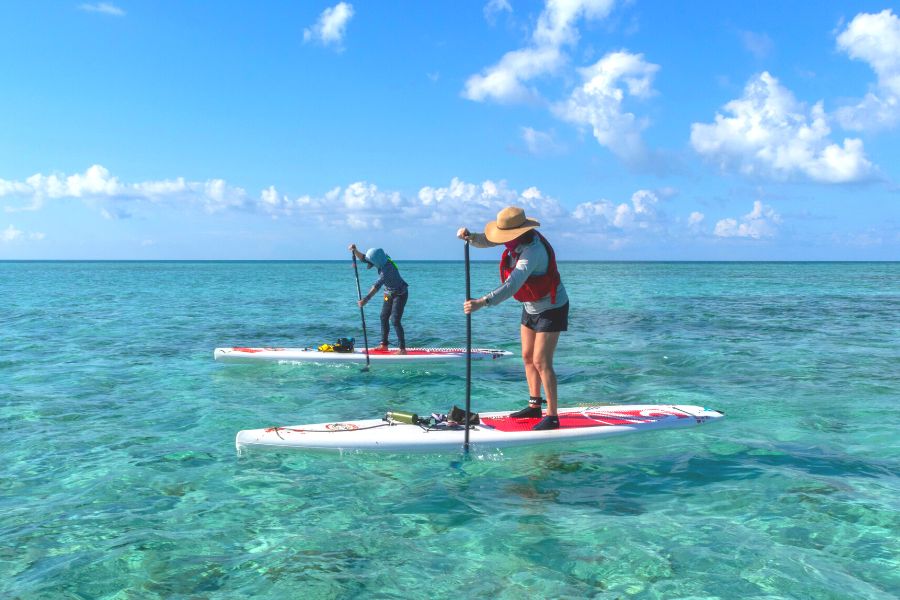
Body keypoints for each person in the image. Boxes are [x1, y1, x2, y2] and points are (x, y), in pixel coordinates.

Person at [457, 206, 569, 430]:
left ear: (519, 231)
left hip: (552, 307)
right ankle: (534, 405)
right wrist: (471, 238)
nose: (503, 240)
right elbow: (488, 240)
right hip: (530, 307)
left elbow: (512, 285)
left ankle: (553, 416)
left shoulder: (532, 252)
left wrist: (483, 302)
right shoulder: (515, 240)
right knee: (527, 357)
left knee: (541, 361)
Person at [349, 244, 409, 355]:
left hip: (400, 294)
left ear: (376, 262)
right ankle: (384, 345)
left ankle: (402, 349)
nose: (369, 263)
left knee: (395, 320)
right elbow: (364, 259)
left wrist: (365, 300)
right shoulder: (382, 259)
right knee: (383, 317)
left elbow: (376, 287)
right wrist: (355, 250)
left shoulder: (386, 271)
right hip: (388, 293)